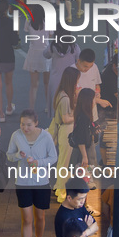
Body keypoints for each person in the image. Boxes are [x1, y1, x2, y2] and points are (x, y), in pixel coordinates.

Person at [6, 109, 57, 237]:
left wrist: (38, 162)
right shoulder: (16, 135)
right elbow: (9, 155)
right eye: (22, 124)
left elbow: (53, 157)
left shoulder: (46, 136)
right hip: (22, 182)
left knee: (40, 217)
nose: (25, 127)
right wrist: (17, 157)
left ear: (36, 123)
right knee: (27, 219)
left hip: (42, 182)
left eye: (28, 124)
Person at [52, 67, 80, 202]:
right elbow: (66, 119)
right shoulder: (65, 98)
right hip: (66, 131)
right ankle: (62, 192)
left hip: (64, 131)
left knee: (62, 162)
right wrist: (79, 115)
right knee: (65, 163)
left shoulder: (62, 94)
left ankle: (59, 187)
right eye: (76, 81)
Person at [44, 27, 80, 116]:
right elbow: (79, 59)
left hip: (55, 79)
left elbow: (45, 55)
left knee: (55, 104)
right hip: (70, 79)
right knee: (69, 104)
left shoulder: (52, 47)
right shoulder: (74, 47)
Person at [23, 8, 51, 110]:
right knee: (47, 83)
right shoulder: (48, 21)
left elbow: (26, 31)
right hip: (45, 54)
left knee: (34, 85)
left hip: (33, 54)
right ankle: (48, 106)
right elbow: (51, 34)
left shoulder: (29, 21)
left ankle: (31, 108)